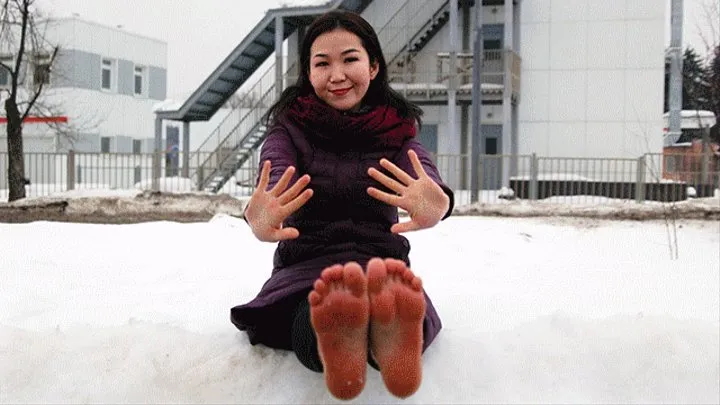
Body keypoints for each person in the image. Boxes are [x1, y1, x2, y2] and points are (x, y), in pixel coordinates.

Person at [230, 10, 454, 400]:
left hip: (381, 272)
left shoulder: (397, 130)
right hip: (307, 269)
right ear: (307, 73)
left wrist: (437, 200)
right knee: (314, 309)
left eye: (349, 59)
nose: (337, 75)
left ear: (373, 66)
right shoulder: (289, 129)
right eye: (322, 63)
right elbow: (273, 174)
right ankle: (350, 334)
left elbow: (424, 177)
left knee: (387, 301)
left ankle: (384, 336)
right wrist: (260, 214)